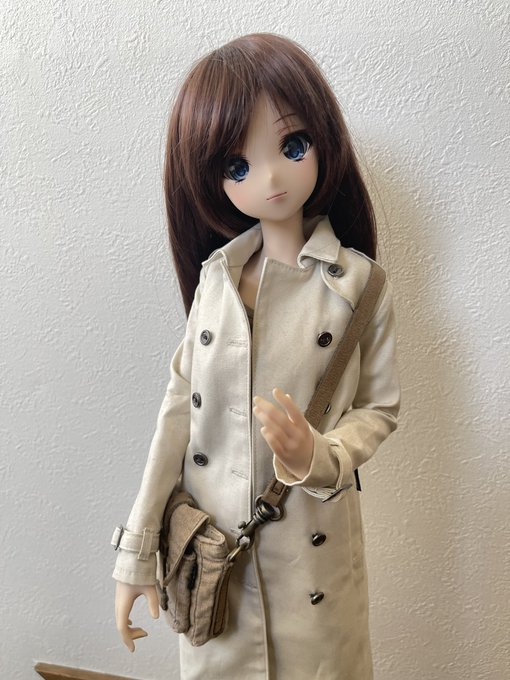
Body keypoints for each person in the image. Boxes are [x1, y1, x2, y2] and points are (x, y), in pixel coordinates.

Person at [112, 33, 400, 680]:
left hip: (312, 561)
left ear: (323, 141)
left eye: (291, 147)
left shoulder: (359, 286)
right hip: (218, 565)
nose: (269, 178)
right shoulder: (215, 281)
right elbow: (176, 418)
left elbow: (379, 409)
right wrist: (136, 556)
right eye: (237, 166)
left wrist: (316, 454)